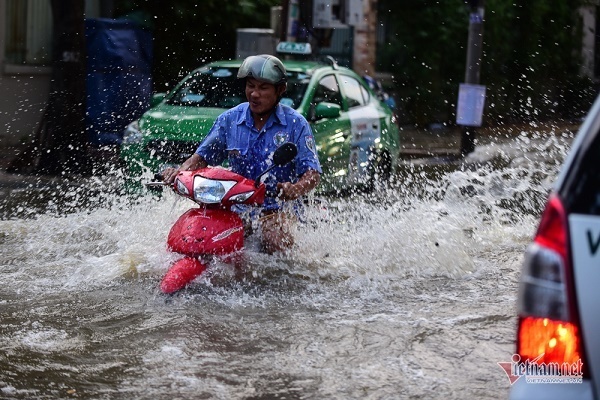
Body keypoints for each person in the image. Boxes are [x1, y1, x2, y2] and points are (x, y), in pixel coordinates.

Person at [163, 54, 321, 254]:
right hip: (235, 207)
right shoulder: (229, 119)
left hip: (278, 210)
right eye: (250, 86)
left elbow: (312, 173)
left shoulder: (296, 124)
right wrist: (178, 172)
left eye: (263, 88)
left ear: (280, 90)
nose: (254, 94)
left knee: (273, 239)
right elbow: (200, 158)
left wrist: (295, 189)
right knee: (196, 237)